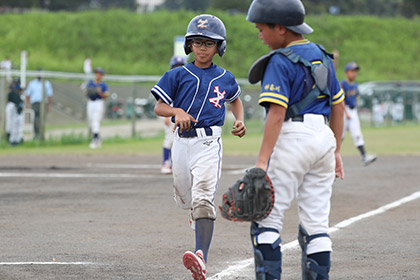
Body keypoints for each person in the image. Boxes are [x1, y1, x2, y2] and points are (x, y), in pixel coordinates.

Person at [245, 0, 345, 279]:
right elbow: (338, 106)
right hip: (324, 139)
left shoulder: (280, 60)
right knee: (316, 225)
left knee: (266, 221)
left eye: (261, 29)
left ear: (281, 28)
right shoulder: (323, 56)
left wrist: (262, 162)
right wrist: (336, 150)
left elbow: (276, 114)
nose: (260, 35)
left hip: (293, 137)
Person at [151, 14, 246, 280]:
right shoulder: (177, 74)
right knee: (185, 197)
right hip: (181, 142)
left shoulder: (226, 77)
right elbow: (159, 106)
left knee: (203, 197)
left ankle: (201, 256)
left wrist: (239, 119)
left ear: (219, 47)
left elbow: (235, 99)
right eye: (197, 42)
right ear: (189, 45)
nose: (203, 48)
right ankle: (195, 210)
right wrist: (176, 111)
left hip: (208, 142)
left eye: (209, 43)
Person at [341, 62, 377, 166]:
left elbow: (356, 98)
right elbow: (341, 100)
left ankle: (364, 156)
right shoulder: (343, 84)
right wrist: (345, 112)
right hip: (344, 111)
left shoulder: (355, 85)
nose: (354, 73)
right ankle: (330, 157)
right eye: (352, 71)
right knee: (340, 136)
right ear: (346, 72)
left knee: (357, 134)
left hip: (353, 111)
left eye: (355, 71)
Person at [161, 55, 188, 174]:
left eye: (181, 66)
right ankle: (166, 162)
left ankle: (176, 163)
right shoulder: (170, 80)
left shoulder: (187, 81)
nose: (178, 69)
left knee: (183, 141)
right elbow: (164, 102)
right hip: (171, 115)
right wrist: (167, 116)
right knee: (169, 139)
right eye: (176, 66)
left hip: (183, 117)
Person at [25, 70, 53, 140]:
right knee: (34, 120)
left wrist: (49, 106)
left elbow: (49, 95)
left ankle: (41, 135)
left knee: (41, 120)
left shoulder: (46, 83)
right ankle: (36, 134)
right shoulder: (32, 83)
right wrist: (27, 104)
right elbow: (28, 95)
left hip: (43, 103)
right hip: (35, 103)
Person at [85, 67, 109, 149]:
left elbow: (105, 96)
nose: (97, 75)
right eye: (96, 73)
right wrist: (89, 92)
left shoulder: (103, 85)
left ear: (102, 76)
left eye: (99, 74)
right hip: (90, 102)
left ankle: (95, 139)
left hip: (99, 102)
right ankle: (98, 137)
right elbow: (86, 93)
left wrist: (99, 92)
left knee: (96, 120)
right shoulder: (90, 83)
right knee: (91, 121)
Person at [6, 79, 24, 145]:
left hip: (18, 112)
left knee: (18, 126)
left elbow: (20, 104)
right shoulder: (11, 93)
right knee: (12, 125)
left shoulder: (19, 94)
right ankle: (12, 140)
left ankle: (18, 139)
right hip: (13, 111)